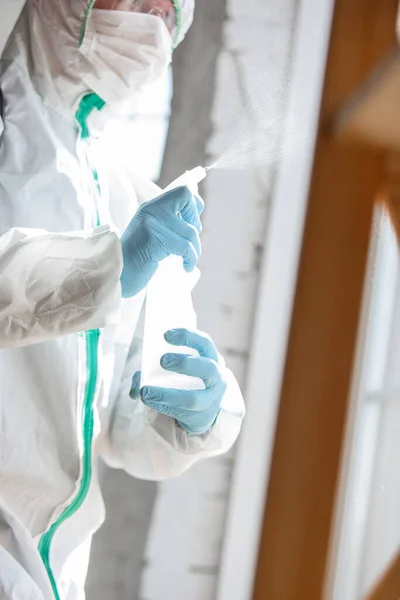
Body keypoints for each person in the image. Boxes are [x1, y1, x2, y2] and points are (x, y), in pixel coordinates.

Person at [0, 0, 245, 598]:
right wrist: (108, 268)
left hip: (49, 573)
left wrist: (195, 414)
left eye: (170, 10)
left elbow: (118, 424)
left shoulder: (131, 196)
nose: (157, 15)